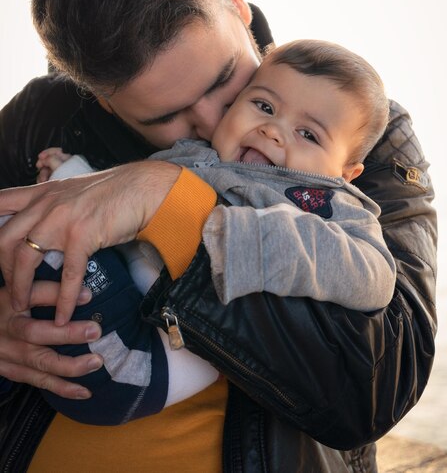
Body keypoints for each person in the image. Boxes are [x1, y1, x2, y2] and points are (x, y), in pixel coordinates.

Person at [0, 0, 437, 473]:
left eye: (226, 79)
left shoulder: (349, 126)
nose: (213, 122)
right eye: (166, 118)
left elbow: (377, 383)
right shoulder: (44, 119)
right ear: (101, 103)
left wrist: (170, 203)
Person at [5, 38, 395, 427]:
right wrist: (85, 179)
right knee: (32, 222)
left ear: (345, 174)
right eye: (264, 106)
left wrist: (239, 237)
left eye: (309, 134)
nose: (273, 131)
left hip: (151, 362)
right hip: (119, 299)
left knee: (34, 231)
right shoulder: (192, 155)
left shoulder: (327, 202)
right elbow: (117, 207)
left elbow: (373, 273)